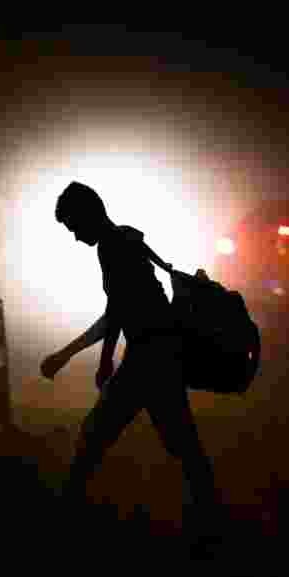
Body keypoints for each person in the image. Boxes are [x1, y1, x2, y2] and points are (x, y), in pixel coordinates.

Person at [40, 181, 222, 550]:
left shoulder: (113, 247)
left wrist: (94, 358)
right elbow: (119, 310)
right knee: (181, 442)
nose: (75, 237)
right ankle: (211, 516)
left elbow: (118, 312)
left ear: (89, 215)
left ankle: (65, 515)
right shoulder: (122, 240)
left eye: (74, 227)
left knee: (97, 434)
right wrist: (76, 354)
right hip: (156, 355)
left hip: (149, 359)